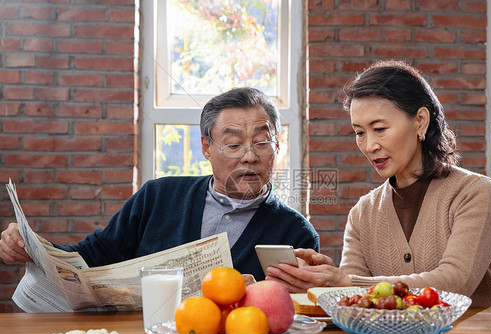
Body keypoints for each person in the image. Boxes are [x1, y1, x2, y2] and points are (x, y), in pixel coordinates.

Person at [0, 87, 320, 282]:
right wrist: (36, 249)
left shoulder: (297, 234)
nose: (250, 156)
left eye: (262, 142)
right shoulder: (158, 196)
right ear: (206, 147)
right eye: (233, 145)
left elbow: (291, 313)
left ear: (278, 147)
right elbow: (95, 254)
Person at [267, 60, 491, 307]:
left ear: (420, 121)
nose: (369, 145)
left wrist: (345, 282)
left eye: (380, 128)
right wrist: (325, 279)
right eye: (360, 133)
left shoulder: (476, 194)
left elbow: (456, 283)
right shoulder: (362, 214)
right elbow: (355, 299)